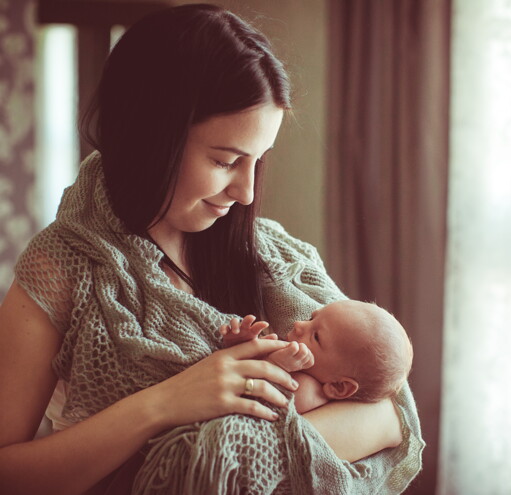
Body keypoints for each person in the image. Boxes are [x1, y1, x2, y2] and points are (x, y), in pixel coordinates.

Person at [0, 4, 423, 494]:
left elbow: (391, 415)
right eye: (226, 161)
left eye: (257, 163)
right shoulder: (59, 267)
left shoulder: (280, 255)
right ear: (151, 137)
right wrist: (167, 402)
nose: (245, 192)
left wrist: (228, 452)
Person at [220, 300, 414, 414]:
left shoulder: (308, 392)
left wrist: (275, 364)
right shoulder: (301, 363)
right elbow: (240, 369)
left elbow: (256, 404)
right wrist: (242, 344)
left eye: (316, 336)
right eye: (312, 319)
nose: (298, 324)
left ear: (339, 387)